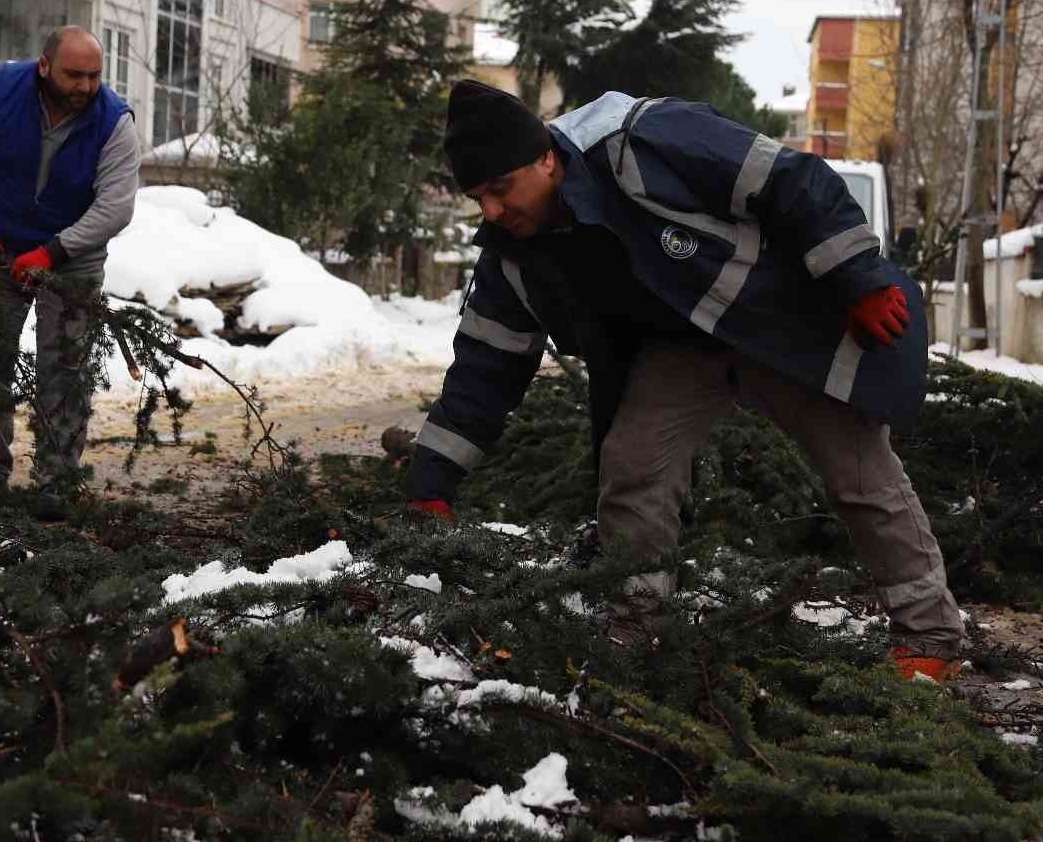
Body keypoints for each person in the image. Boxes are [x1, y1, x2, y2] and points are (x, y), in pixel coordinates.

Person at [404, 79, 963, 681]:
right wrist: (430, 483)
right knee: (632, 469)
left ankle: (929, 636)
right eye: (476, 197)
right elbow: (485, 368)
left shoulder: (642, 140)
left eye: (499, 189)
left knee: (858, 472)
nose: (490, 211)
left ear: (545, 158)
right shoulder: (512, 256)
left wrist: (858, 276)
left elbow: (791, 177)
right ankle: (637, 629)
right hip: (679, 350)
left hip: (776, 321)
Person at [0, 25, 141, 490]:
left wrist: (53, 251)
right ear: (44, 66)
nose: (85, 86)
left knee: (64, 368)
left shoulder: (113, 122)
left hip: (73, 258)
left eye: (93, 76)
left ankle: (56, 480)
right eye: (73, 75)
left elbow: (115, 208)